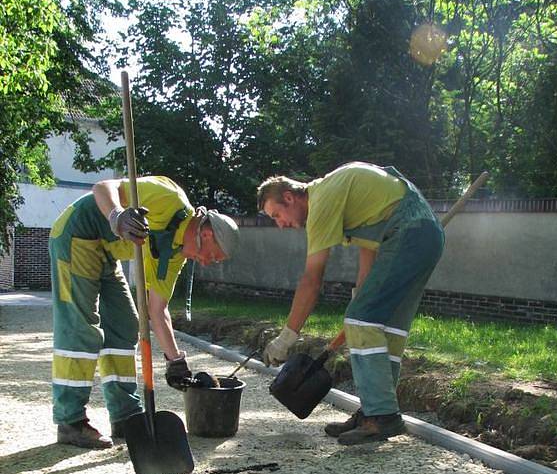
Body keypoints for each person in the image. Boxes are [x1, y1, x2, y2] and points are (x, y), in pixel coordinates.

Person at [257, 162, 444, 446]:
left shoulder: (320, 202)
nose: (280, 224)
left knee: (361, 319)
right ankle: (377, 410)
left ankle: (381, 416)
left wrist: (286, 339)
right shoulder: (336, 194)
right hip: (421, 235)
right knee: (384, 328)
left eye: (277, 215)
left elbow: (311, 279)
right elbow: (369, 247)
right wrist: (361, 294)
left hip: (409, 233)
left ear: (289, 198)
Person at [49, 174, 239, 449]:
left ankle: (126, 416)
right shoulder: (169, 199)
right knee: (80, 328)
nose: (209, 263)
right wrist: (117, 216)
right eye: (214, 255)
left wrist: (176, 361)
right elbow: (103, 187)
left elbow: (156, 310)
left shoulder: (175, 257)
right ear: (207, 234)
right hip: (77, 234)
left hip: (106, 252)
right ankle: (70, 421)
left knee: (126, 324)